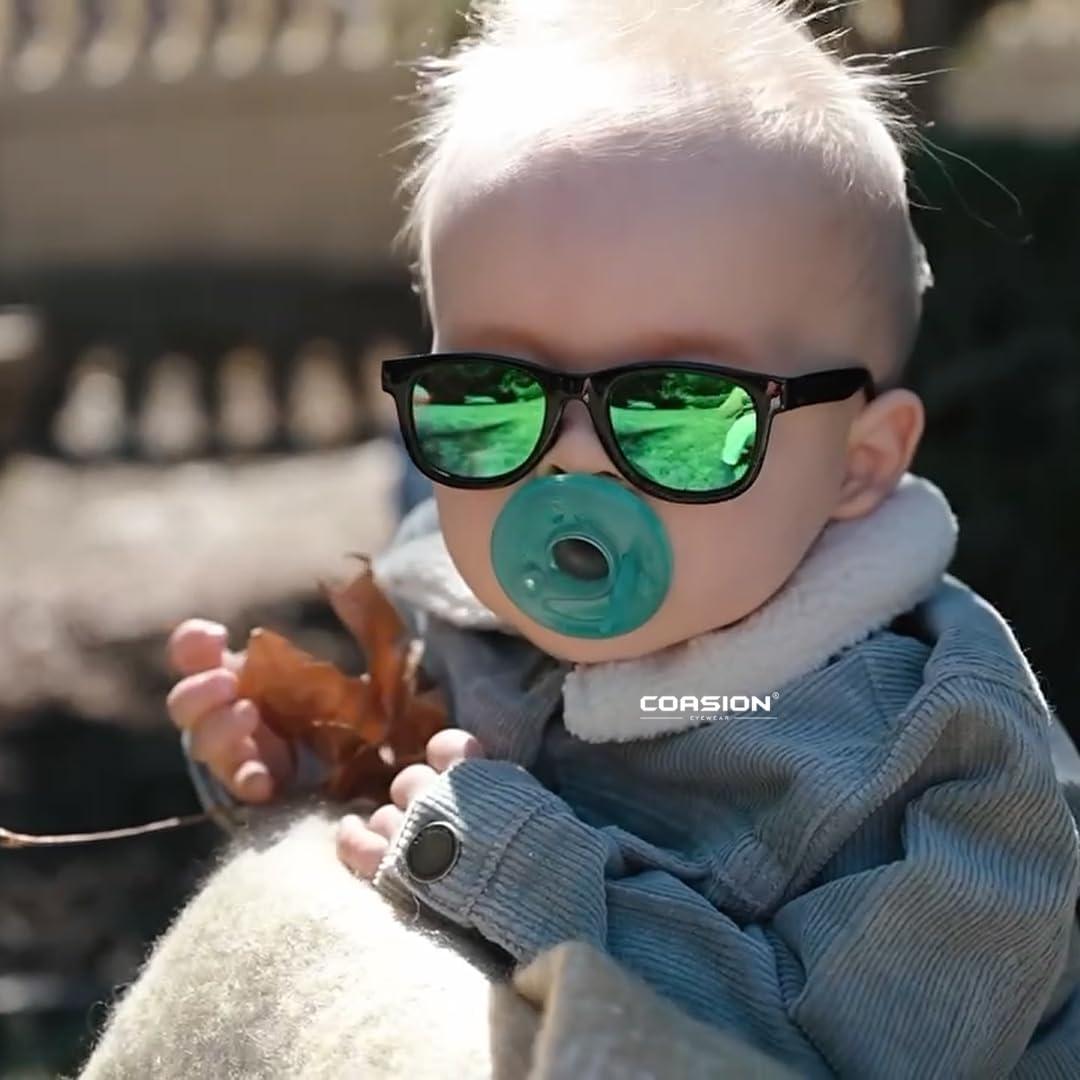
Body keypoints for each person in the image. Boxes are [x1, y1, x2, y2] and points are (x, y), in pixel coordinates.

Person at [162, 1, 1080, 1075]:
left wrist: (530, 876)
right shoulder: (467, 618)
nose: (572, 462)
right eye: (493, 395)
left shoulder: (937, 758)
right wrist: (305, 765)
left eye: (681, 409)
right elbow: (402, 812)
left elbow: (845, 1058)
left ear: (857, 464)